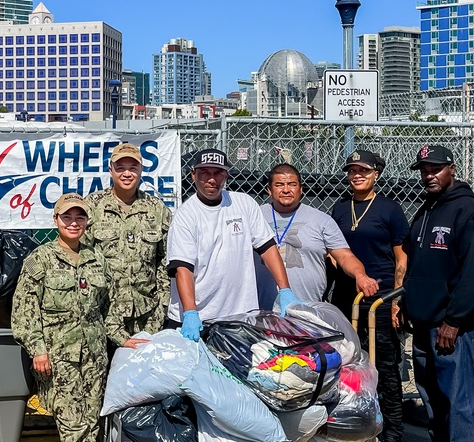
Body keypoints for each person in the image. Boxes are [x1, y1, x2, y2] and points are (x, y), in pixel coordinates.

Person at [402, 144, 474, 442]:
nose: (429, 174)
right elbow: (416, 263)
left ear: (451, 170)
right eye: (424, 169)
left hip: (449, 328)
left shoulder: (468, 211)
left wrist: (454, 320)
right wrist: (406, 305)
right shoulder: (427, 210)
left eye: (436, 168)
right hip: (423, 322)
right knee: (432, 398)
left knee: (459, 401)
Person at [11, 193, 112, 442]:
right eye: (67, 217)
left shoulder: (97, 260)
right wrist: (37, 347)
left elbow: (108, 307)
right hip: (56, 357)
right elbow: (24, 312)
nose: (73, 223)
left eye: (79, 217)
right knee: (71, 419)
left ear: (86, 222)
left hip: (94, 355)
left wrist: (123, 340)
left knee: (90, 419)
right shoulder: (39, 260)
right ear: (56, 221)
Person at [165, 148, 300, 341]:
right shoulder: (185, 216)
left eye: (218, 172)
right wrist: (190, 313)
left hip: (240, 318)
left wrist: (285, 290)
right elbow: (182, 269)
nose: (212, 179)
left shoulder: (244, 203)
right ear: (193, 175)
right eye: (205, 172)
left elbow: (268, 248)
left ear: (227, 174)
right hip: (199, 320)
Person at [329, 149, 411, 442]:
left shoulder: (389, 209)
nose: (357, 175)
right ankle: (349, 424)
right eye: (352, 170)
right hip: (345, 300)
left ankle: (391, 435)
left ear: (375, 173)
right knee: (347, 366)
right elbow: (331, 254)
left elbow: (402, 258)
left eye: (363, 170)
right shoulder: (339, 209)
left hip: (380, 302)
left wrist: (396, 301)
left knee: (385, 368)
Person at [84, 142, 172, 349]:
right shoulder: (92, 206)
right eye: (120, 168)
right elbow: (82, 261)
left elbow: (165, 263)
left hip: (147, 317)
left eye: (133, 168)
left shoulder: (156, 209)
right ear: (110, 170)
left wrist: (161, 309)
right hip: (104, 314)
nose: (127, 174)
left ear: (141, 170)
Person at [259, 163, 378, 304]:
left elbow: (345, 257)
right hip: (260, 306)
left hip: (307, 306)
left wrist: (360, 275)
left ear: (301, 189)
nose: (286, 190)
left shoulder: (322, 220)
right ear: (269, 190)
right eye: (279, 185)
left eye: (292, 184)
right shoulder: (255, 216)